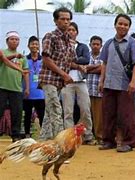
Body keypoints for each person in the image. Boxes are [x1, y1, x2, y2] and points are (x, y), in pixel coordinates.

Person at [98, 14, 135, 152]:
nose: (122, 26)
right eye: (120, 23)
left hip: (124, 84)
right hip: (109, 83)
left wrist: (133, 81)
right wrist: (101, 80)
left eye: (126, 24)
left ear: (129, 27)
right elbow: (104, 63)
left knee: (126, 114)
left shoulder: (132, 43)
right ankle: (108, 141)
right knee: (108, 113)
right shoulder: (108, 43)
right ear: (115, 25)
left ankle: (128, 142)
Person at [38, 7, 82, 140]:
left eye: (68, 19)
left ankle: (44, 141)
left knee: (49, 112)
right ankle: (60, 146)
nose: (66, 22)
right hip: (49, 79)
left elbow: (69, 61)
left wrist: (80, 67)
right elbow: (46, 59)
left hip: (59, 82)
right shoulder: (50, 36)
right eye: (62, 19)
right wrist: (64, 74)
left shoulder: (69, 40)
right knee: (56, 111)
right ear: (55, 21)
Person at [61, 22, 94, 144]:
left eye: (73, 30)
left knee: (85, 108)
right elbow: (62, 61)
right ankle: (69, 137)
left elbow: (86, 59)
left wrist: (71, 61)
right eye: (69, 29)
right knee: (68, 110)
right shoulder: (61, 46)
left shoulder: (83, 46)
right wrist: (78, 65)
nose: (71, 32)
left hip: (81, 81)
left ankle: (87, 135)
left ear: (77, 32)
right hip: (66, 81)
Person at [0, 31, 29, 142]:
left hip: (16, 88)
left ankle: (15, 134)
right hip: (2, 86)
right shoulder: (2, 52)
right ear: (7, 41)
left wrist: (26, 87)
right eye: (12, 39)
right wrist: (14, 56)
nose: (14, 41)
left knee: (17, 112)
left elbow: (26, 72)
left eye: (16, 39)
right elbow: (4, 60)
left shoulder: (23, 57)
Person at [23, 36, 45, 138]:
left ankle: (43, 135)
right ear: (28, 46)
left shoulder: (44, 60)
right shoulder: (24, 59)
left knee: (42, 115)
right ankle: (27, 134)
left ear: (39, 46)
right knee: (27, 115)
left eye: (36, 44)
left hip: (41, 93)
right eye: (32, 44)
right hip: (27, 92)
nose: (34, 46)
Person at [86, 35, 103, 144]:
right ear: (90, 45)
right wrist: (96, 68)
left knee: (98, 116)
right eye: (94, 44)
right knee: (87, 114)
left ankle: (99, 137)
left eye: (98, 44)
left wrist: (88, 69)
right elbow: (82, 68)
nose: (95, 46)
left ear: (101, 46)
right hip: (86, 90)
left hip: (98, 90)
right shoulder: (86, 55)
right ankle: (88, 136)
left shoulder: (103, 57)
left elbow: (103, 68)